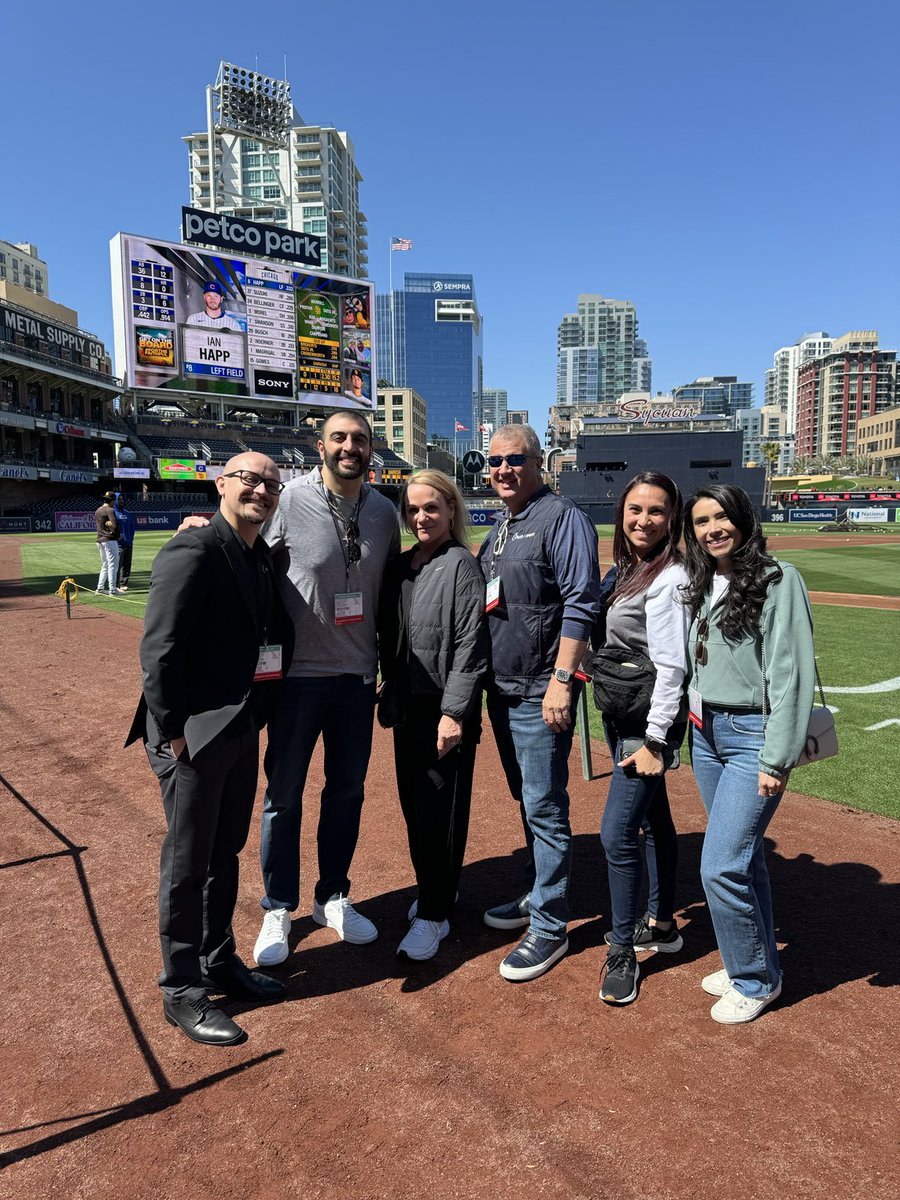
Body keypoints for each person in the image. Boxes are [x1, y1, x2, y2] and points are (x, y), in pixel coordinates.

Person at [125, 453, 292, 1046]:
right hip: (191, 734)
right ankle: (181, 988)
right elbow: (159, 650)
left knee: (226, 852)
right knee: (188, 861)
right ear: (220, 485)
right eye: (249, 479)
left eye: (271, 484)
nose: (262, 490)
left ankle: (220, 961)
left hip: (240, 726)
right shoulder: (192, 550)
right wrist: (173, 732)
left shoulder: (257, 557)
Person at [252, 411, 400, 964]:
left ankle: (332, 896)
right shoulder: (289, 499)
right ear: (321, 446)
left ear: (371, 447)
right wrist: (201, 529)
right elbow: (248, 555)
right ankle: (277, 906)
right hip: (296, 680)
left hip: (358, 680)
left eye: (359, 439)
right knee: (283, 796)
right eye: (339, 438)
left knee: (346, 793)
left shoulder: (384, 512)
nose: (349, 447)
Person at [682, 484, 815, 1024]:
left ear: (743, 518)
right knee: (746, 857)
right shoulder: (705, 579)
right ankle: (750, 960)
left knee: (719, 866)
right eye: (700, 522)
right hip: (706, 734)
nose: (712, 529)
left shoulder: (777, 579)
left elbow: (789, 672)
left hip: (751, 737)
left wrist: (775, 758)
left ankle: (756, 980)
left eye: (721, 517)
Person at [478, 423, 603, 982]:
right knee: (528, 802)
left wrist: (562, 678)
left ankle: (550, 926)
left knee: (546, 809)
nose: (503, 468)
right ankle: (536, 893)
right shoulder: (502, 525)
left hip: (539, 691)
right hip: (502, 690)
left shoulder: (562, 517)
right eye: (494, 459)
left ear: (538, 462)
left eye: (515, 459)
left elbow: (581, 600)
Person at [378, 471, 488, 961]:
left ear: (451, 511)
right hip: (406, 705)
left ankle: (435, 914)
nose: (421, 517)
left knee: (440, 813)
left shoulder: (462, 564)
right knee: (414, 809)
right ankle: (434, 890)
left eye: (431, 508)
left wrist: (455, 713)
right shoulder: (401, 566)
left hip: (444, 710)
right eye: (413, 509)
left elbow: (470, 647)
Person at [596, 472, 691, 1005]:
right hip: (625, 711)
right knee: (655, 823)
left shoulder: (669, 577)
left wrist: (655, 742)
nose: (643, 520)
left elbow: (672, 667)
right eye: (635, 509)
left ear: (671, 518)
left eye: (656, 511)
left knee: (616, 835)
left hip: (646, 724)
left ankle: (623, 950)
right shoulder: (630, 568)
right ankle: (664, 925)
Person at [94, 490, 120, 597]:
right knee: (113, 565)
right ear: (113, 500)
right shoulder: (110, 510)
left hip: (99, 539)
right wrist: (118, 535)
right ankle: (112, 590)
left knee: (105, 565)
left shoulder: (98, 510)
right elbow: (115, 525)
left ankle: (100, 588)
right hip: (109, 540)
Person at [114, 493, 136, 593]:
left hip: (129, 543)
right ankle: (116, 584)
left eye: (122, 499)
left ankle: (124, 583)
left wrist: (130, 539)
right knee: (117, 565)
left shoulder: (128, 513)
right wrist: (119, 539)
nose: (121, 501)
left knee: (127, 565)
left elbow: (132, 527)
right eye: (119, 499)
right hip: (118, 544)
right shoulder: (113, 513)